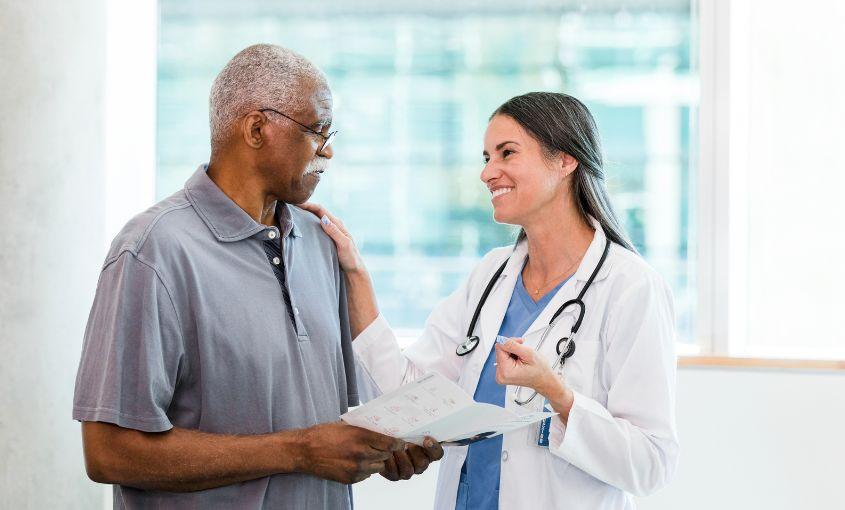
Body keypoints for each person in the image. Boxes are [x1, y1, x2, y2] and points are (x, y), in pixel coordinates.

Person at [72, 44, 441, 509]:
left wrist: (387, 446)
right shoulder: (152, 251)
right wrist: (298, 451)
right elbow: (109, 453)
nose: (328, 151)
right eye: (317, 131)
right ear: (256, 128)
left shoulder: (320, 243)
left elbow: (345, 421)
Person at [304, 91, 679, 510]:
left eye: (506, 153)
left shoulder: (630, 288)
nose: (487, 173)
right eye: (486, 157)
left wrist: (557, 393)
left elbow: (651, 463)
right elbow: (409, 392)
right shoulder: (491, 274)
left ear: (565, 160)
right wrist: (356, 274)